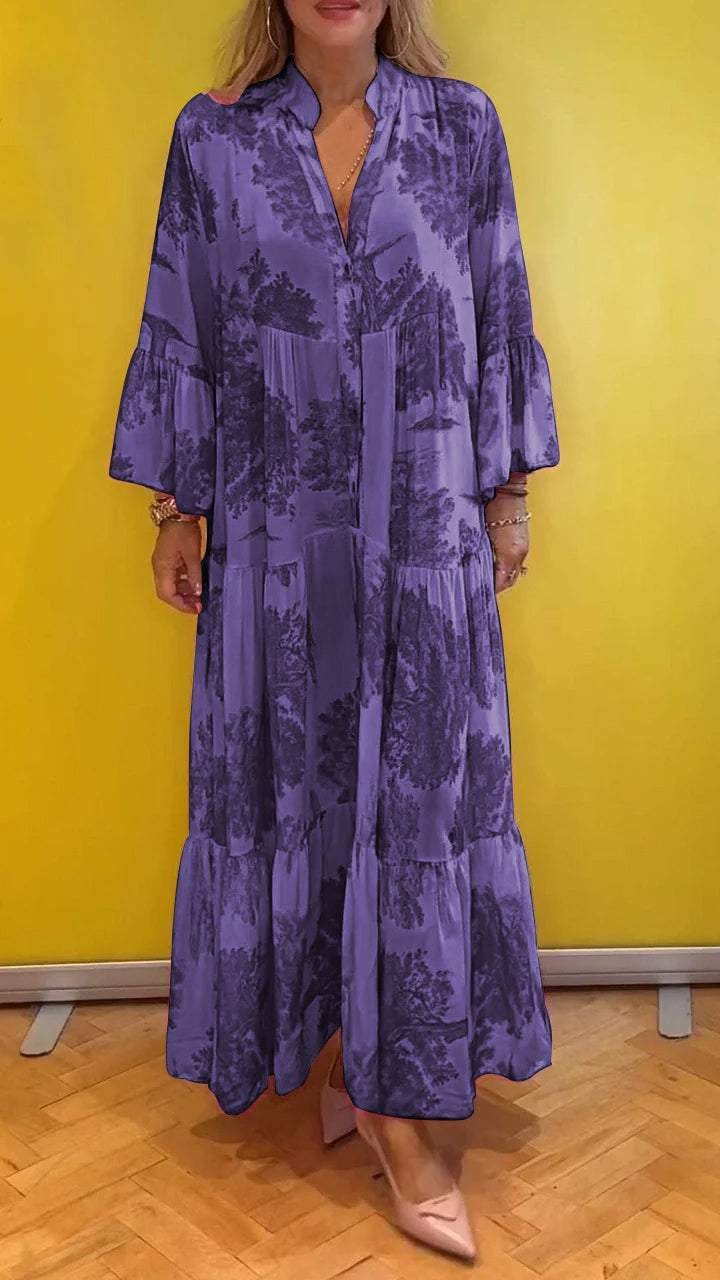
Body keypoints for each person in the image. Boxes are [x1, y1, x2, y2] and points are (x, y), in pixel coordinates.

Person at [108, 0, 560, 1261]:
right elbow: (183, 325)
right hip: (277, 547)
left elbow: (498, 304)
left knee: (414, 809)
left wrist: (508, 496)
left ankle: (399, 1109)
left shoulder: (462, 131)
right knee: (297, 798)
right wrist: (175, 510)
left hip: (422, 541)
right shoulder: (212, 142)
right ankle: (344, 1065)